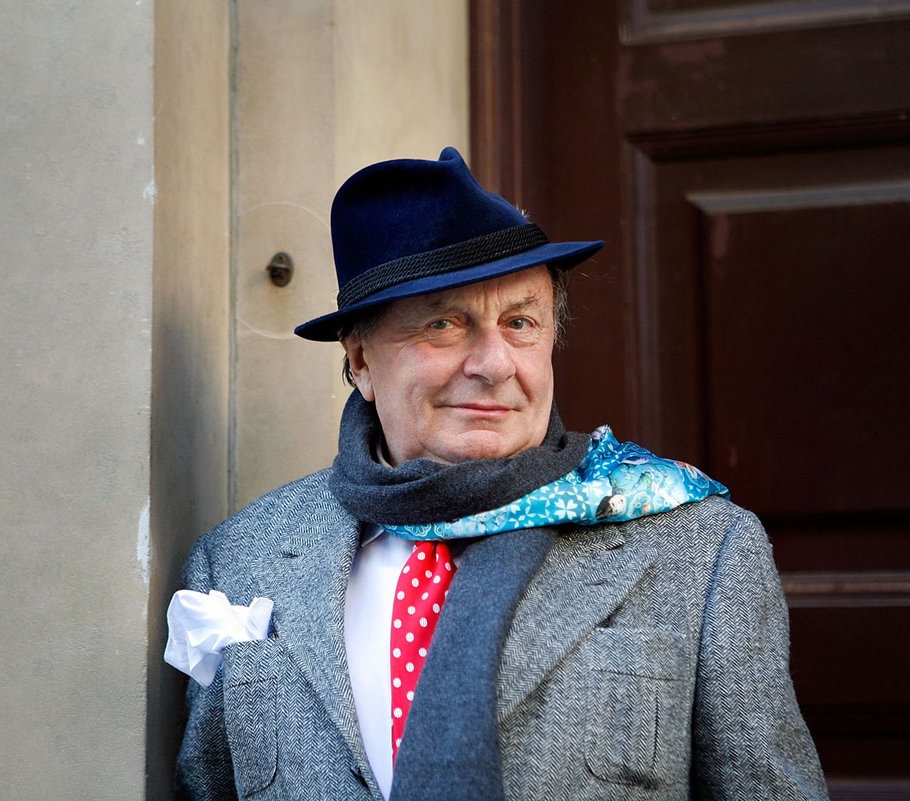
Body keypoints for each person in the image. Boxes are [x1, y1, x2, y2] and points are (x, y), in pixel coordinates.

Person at [168, 147, 828, 801]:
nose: (494, 362)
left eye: (520, 322)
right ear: (361, 359)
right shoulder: (240, 561)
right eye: (445, 323)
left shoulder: (701, 551)